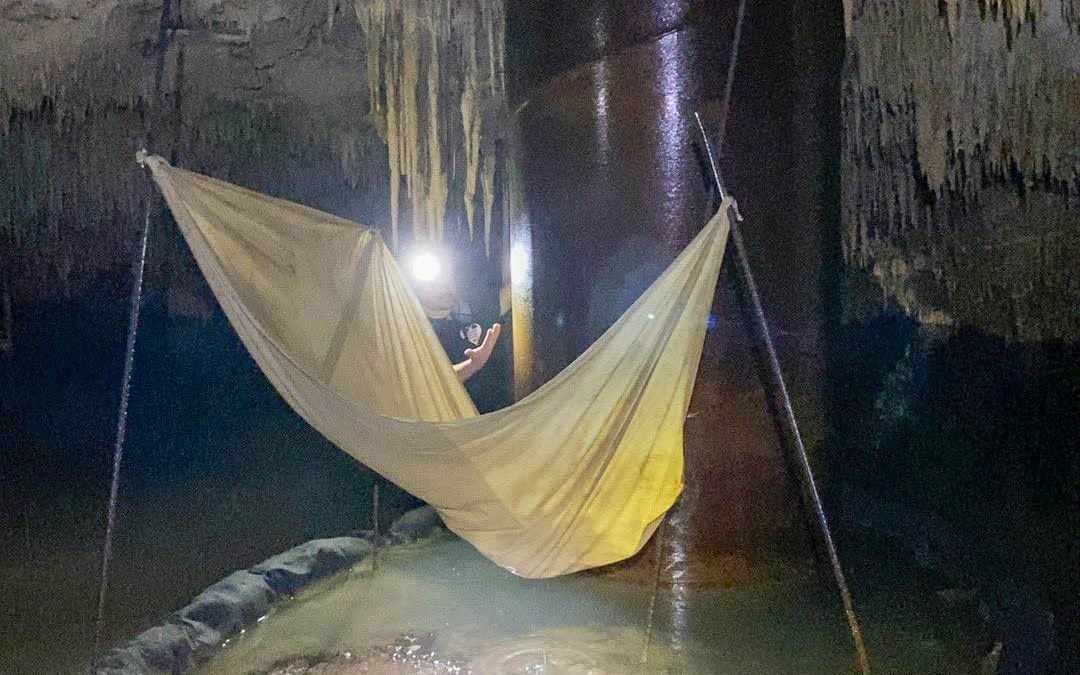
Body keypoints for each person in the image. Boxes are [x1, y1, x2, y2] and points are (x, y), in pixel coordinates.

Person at [410, 251, 501, 383]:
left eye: (448, 280)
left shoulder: (471, 310)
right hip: (457, 403)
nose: (445, 287)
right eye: (436, 283)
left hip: (503, 402)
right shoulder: (415, 330)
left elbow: (513, 294)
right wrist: (472, 365)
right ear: (418, 288)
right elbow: (427, 382)